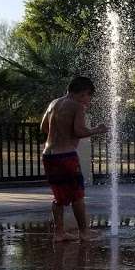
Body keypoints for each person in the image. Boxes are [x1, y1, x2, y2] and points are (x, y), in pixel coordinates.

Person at [40, 76, 107, 242]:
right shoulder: (78, 106)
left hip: (49, 155)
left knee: (59, 196)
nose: (89, 100)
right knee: (77, 195)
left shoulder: (54, 103)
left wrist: (61, 132)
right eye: (89, 95)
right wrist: (97, 130)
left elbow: (43, 127)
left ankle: (59, 232)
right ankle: (84, 232)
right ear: (83, 93)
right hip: (66, 156)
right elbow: (79, 131)